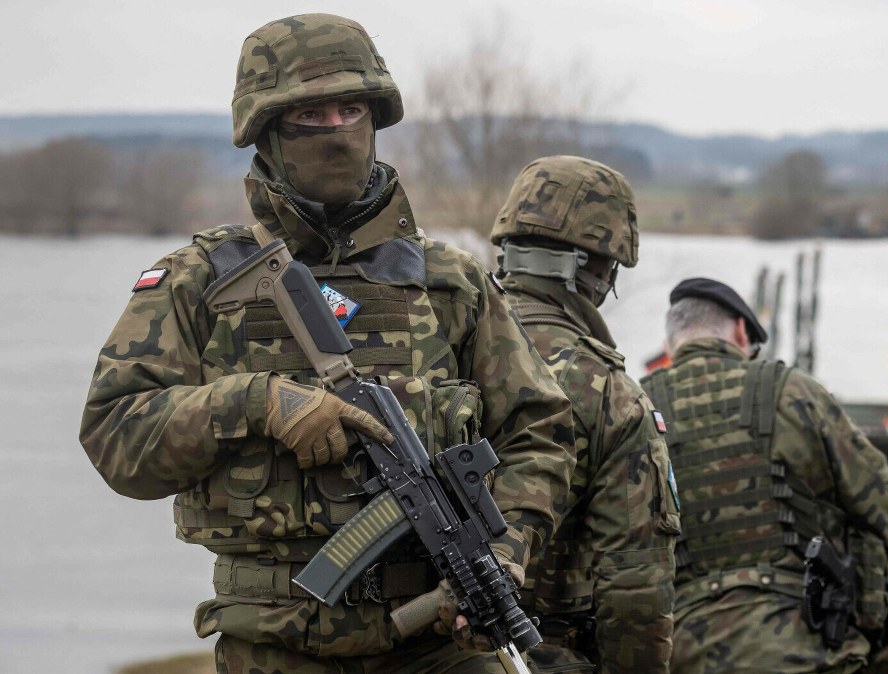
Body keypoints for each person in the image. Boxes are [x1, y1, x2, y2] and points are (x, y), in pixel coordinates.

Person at [79, 14, 575, 673]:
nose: (338, 130)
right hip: (273, 648)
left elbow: (540, 431)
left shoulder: (450, 282)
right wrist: (258, 403)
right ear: (267, 131)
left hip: (437, 647)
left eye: (352, 111)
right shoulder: (198, 280)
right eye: (311, 116)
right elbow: (115, 436)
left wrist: (506, 551)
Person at [452, 155, 680, 673]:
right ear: (598, 270)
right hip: (541, 656)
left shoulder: (440, 346)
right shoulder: (609, 392)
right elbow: (636, 588)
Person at [641, 278, 888, 674]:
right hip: (808, 643)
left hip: (682, 650)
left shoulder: (636, 407)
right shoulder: (794, 391)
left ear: (671, 342)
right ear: (741, 332)